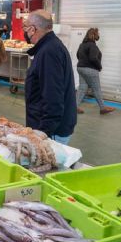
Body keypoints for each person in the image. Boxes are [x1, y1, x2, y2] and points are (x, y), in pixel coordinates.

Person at [24, 10, 77, 145]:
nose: (25, 31)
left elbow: (53, 96)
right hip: (52, 128)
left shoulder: (49, 52)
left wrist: (43, 132)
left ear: (32, 29)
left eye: (25, 27)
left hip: (52, 133)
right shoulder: (50, 47)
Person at [76, 28, 115, 115]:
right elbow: (93, 58)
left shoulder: (82, 45)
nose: (99, 35)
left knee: (82, 88)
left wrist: (83, 63)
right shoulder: (92, 46)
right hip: (90, 69)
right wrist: (99, 66)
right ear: (93, 35)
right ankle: (103, 108)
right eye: (98, 34)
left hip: (80, 68)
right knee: (96, 89)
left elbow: (78, 55)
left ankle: (74, 107)